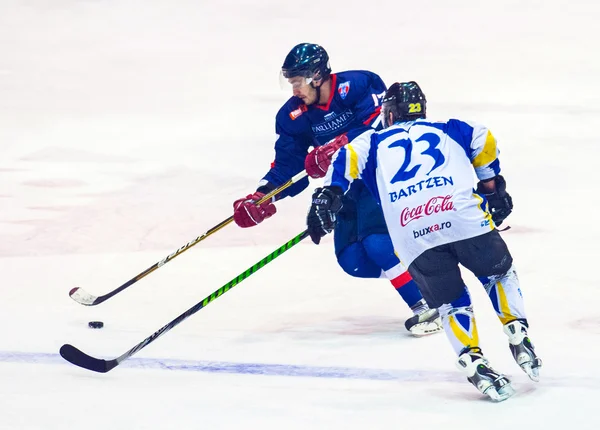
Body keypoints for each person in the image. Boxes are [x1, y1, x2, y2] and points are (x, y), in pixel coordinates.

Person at [306, 81, 542, 401]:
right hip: (463, 217)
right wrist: (491, 186)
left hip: (413, 233)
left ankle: (472, 358)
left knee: (449, 302)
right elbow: (482, 137)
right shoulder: (449, 127)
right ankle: (515, 326)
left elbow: (345, 161)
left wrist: (327, 198)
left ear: (389, 115)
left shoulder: (371, 141)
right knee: (498, 273)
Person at [232, 43, 442, 335]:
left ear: (317, 76)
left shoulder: (360, 84)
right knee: (352, 260)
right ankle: (430, 275)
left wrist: (338, 144)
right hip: (341, 187)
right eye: (290, 82)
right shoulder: (291, 115)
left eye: (298, 82)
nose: (294, 89)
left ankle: (428, 306)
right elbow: (288, 163)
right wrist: (262, 195)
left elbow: (381, 128)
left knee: (377, 243)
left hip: (377, 178)